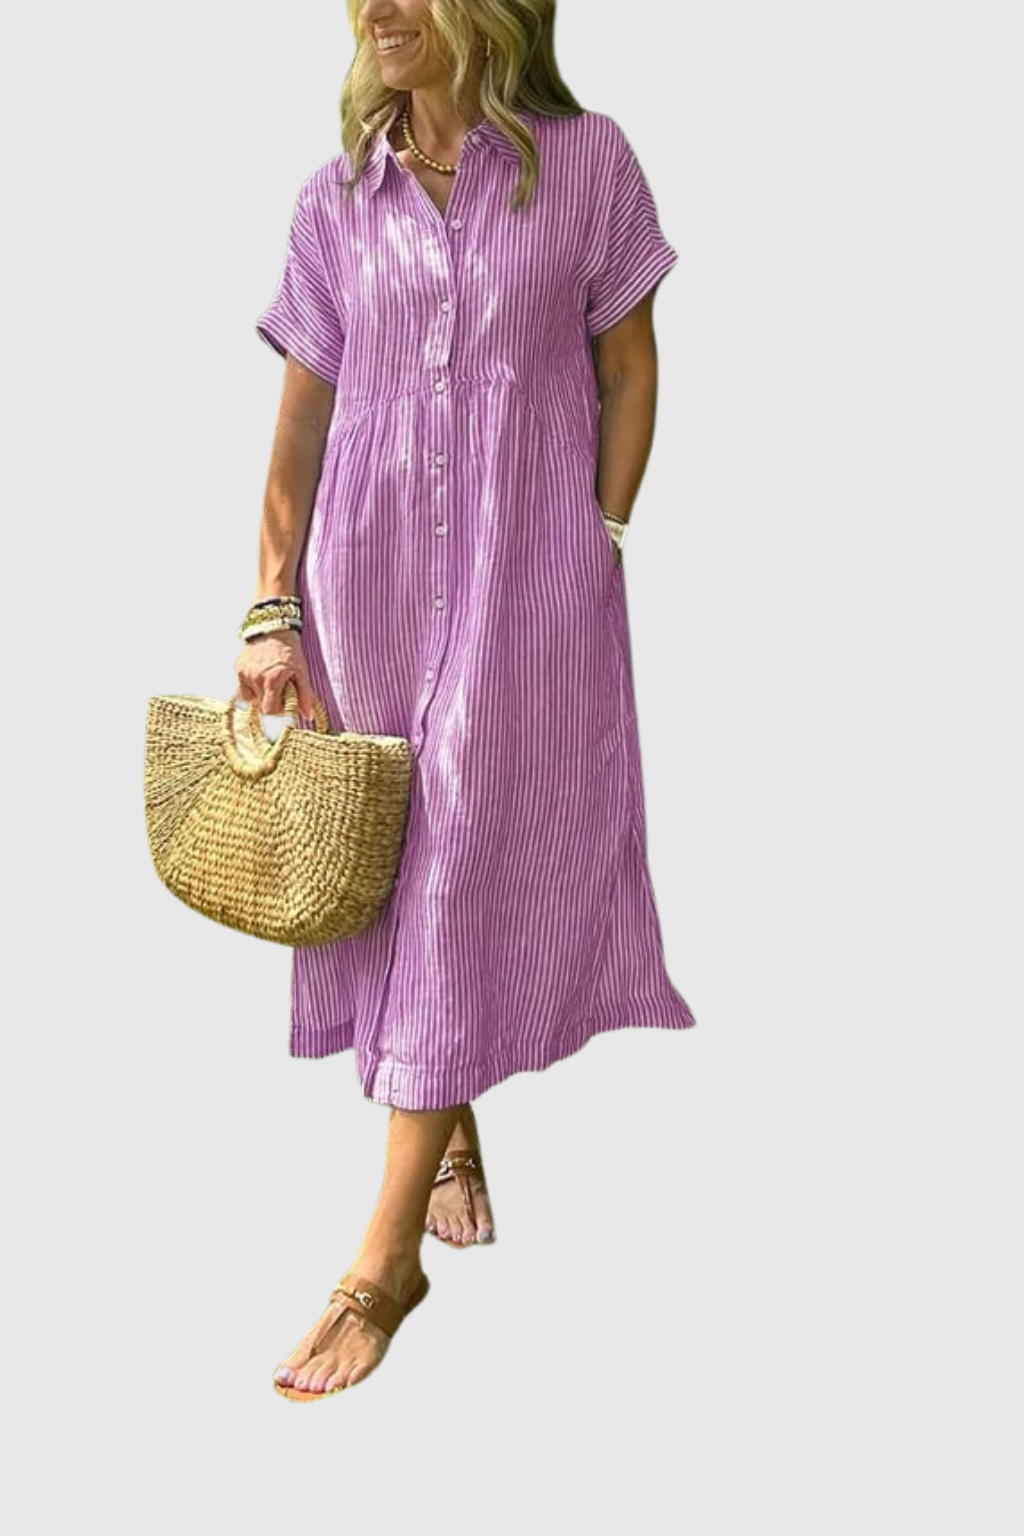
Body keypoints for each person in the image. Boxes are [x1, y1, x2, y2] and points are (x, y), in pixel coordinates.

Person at [237, 0, 697, 1401]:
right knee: (398, 871)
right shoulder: (335, 202)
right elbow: (301, 419)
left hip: (523, 592)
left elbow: (629, 366)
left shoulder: (588, 165)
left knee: (456, 861)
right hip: (370, 589)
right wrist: (270, 606)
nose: (376, 11)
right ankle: (450, 1123)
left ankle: (385, 1262)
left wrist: (597, 536)